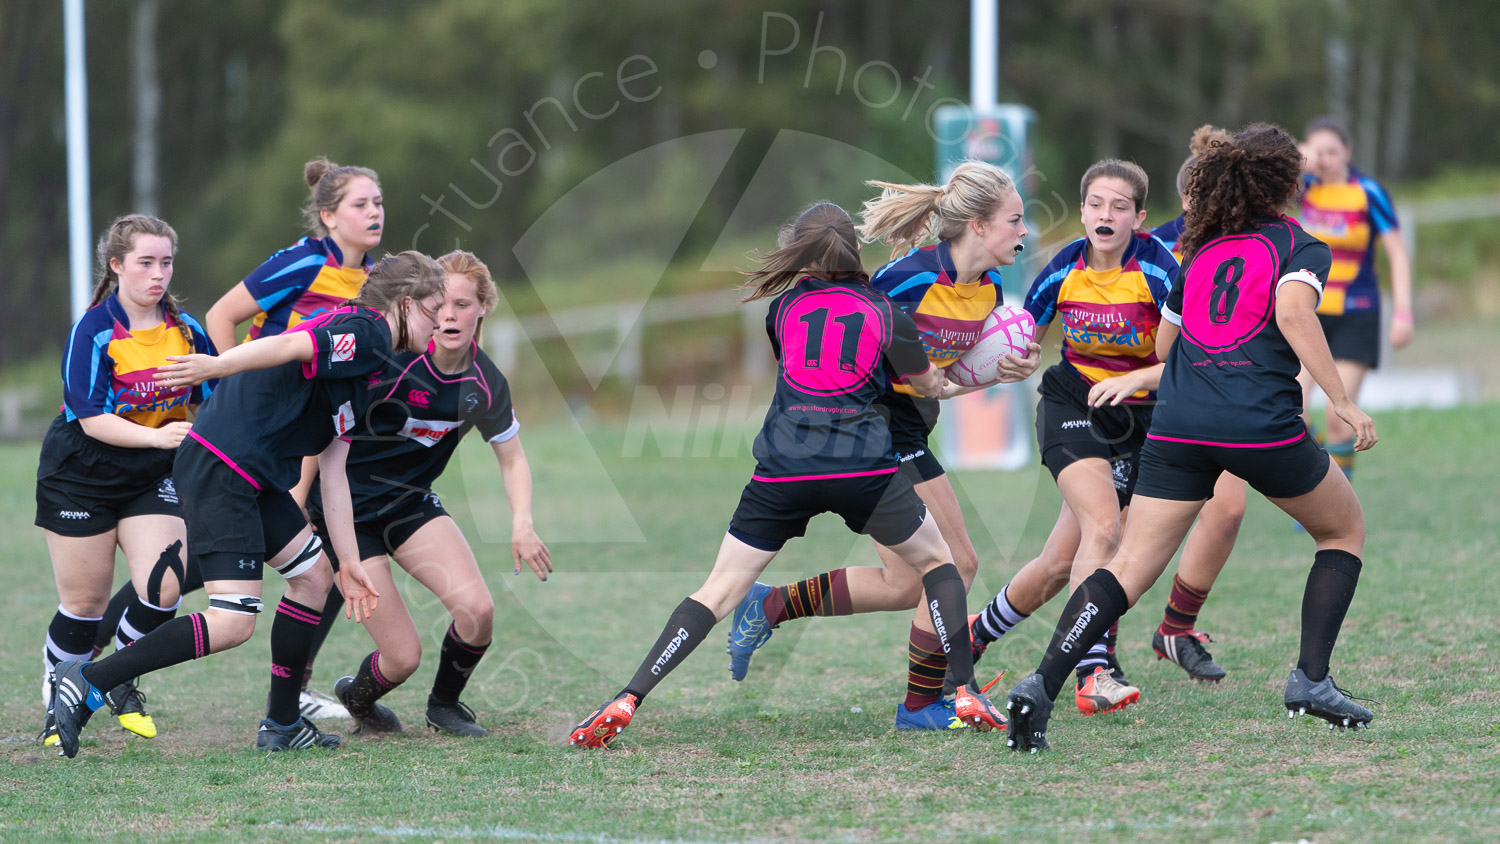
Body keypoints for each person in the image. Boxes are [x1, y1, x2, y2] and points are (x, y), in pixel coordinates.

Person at [568, 202, 1006, 748]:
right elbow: (930, 387)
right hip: (861, 467)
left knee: (719, 588)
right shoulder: (885, 311)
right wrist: (987, 371)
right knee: (940, 563)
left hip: (783, 467)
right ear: (854, 251)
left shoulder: (781, 309)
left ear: (801, 256)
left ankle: (627, 697)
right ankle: (963, 689)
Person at [1003, 123, 1378, 753]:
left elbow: (1162, 346)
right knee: (1342, 532)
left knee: (1127, 568)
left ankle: (1040, 686)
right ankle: (1311, 680)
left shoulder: (1200, 252)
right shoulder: (1299, 245)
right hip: (1259, 424)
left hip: (1178, 425)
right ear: (1288, 183)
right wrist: (1341, 400)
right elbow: (1292, 313)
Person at [47, 251, 446, 758]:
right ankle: (88, 678)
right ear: (406, 304)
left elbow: (335, 467)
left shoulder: (375, 356)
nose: (439, 323)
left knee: (316, 578)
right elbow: (289, 343)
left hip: (251, 473)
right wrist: (216, 364)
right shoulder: (366, 330)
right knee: (233, 621)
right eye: (434, 310)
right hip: (223, 466)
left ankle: (282, 724)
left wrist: (348, 562)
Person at [721, 163, 1040, 732]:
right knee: (955, 564)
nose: (1024, 231)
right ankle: (924, 704)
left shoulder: (988, 291)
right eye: (1015, 220)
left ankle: (770, 605)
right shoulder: (905, 281)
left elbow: (938, 377)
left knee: (906, 582)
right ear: (977, 224)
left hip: (913, 426)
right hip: (872, 429)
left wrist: (1001, 372)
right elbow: (841, 332)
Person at [93, 157, 385, 720]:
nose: (374, 213)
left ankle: (286, 704)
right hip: (256, 430)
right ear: (328, 215)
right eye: (360, 203)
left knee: (301, 564)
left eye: (377, 202)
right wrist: (229, 392)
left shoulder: (377, 280)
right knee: (247, 563)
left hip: (300, 430)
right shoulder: (301, 263)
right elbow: (224, 315)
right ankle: (101, 652)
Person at [965, 160, 1178, 718]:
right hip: (1072, 407)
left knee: (1062, 562)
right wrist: (1013, 359)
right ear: (1082, 210)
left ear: (1139, 217)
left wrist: (1134, 378)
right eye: (1096, 204)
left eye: (1120, 206)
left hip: (1138, 423)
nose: (1106, 215)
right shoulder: (1061, 270)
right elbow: (1020, 340)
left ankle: (972, 635)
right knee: (1106, 528)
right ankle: (1093, 671)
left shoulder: (1161, 273)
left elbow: (1186, 361)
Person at [310, 250, 551, 738]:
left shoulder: (485, 383)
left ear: (482, 308)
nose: (448, 315)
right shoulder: (390, 359)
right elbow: (317, 432)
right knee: (402, 658)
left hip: (410, 505)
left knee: (478, 612)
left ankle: (444, 705)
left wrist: (521, 522)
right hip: (347, 515)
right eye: (439, 304)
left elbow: (513, 458)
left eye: (462, 304)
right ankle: (357, 698)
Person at [37, 215, 216, 747]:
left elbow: (211, 403)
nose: (158, 274)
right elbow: (91, 418)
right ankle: (57, 697)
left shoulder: (187, 330)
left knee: (163, 585)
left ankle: (117, 679)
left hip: (149, 476)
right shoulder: (92, 329)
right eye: (145, 263)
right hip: (81, 475)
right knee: (86, 605)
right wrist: (161, 438)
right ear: (116, 266)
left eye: (165, 262)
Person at [1298, 116, 1413, 483]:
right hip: (1308, 313)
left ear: (1347, 152)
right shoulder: (1302, 188)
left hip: (1356, 313)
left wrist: (1404, 313)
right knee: (1290, 408)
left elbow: (1397, 253)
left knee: (1338, 416)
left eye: (1333, 151)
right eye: (1318, 152)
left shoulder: (1367, 191)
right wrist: (1300, 158)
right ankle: (1319, 485)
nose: (1326, 159)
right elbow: (1266, 171)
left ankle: (1336, 505)